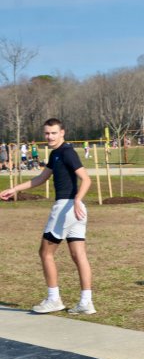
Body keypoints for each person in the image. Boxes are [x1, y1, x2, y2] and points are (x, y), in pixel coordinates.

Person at [0, 118, 96, 315]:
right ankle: (86, 302)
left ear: (62, 132)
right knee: (79, 255)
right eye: (47, 133)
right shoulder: (55, 154)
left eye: (53, 133)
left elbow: (86, 179)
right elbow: (41, 178)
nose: (49, 136)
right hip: (74, 210)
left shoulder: (67, 152)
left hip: (66, 208)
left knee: (45, 253)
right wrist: (14, 189)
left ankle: (54, 299)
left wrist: (77, 199)